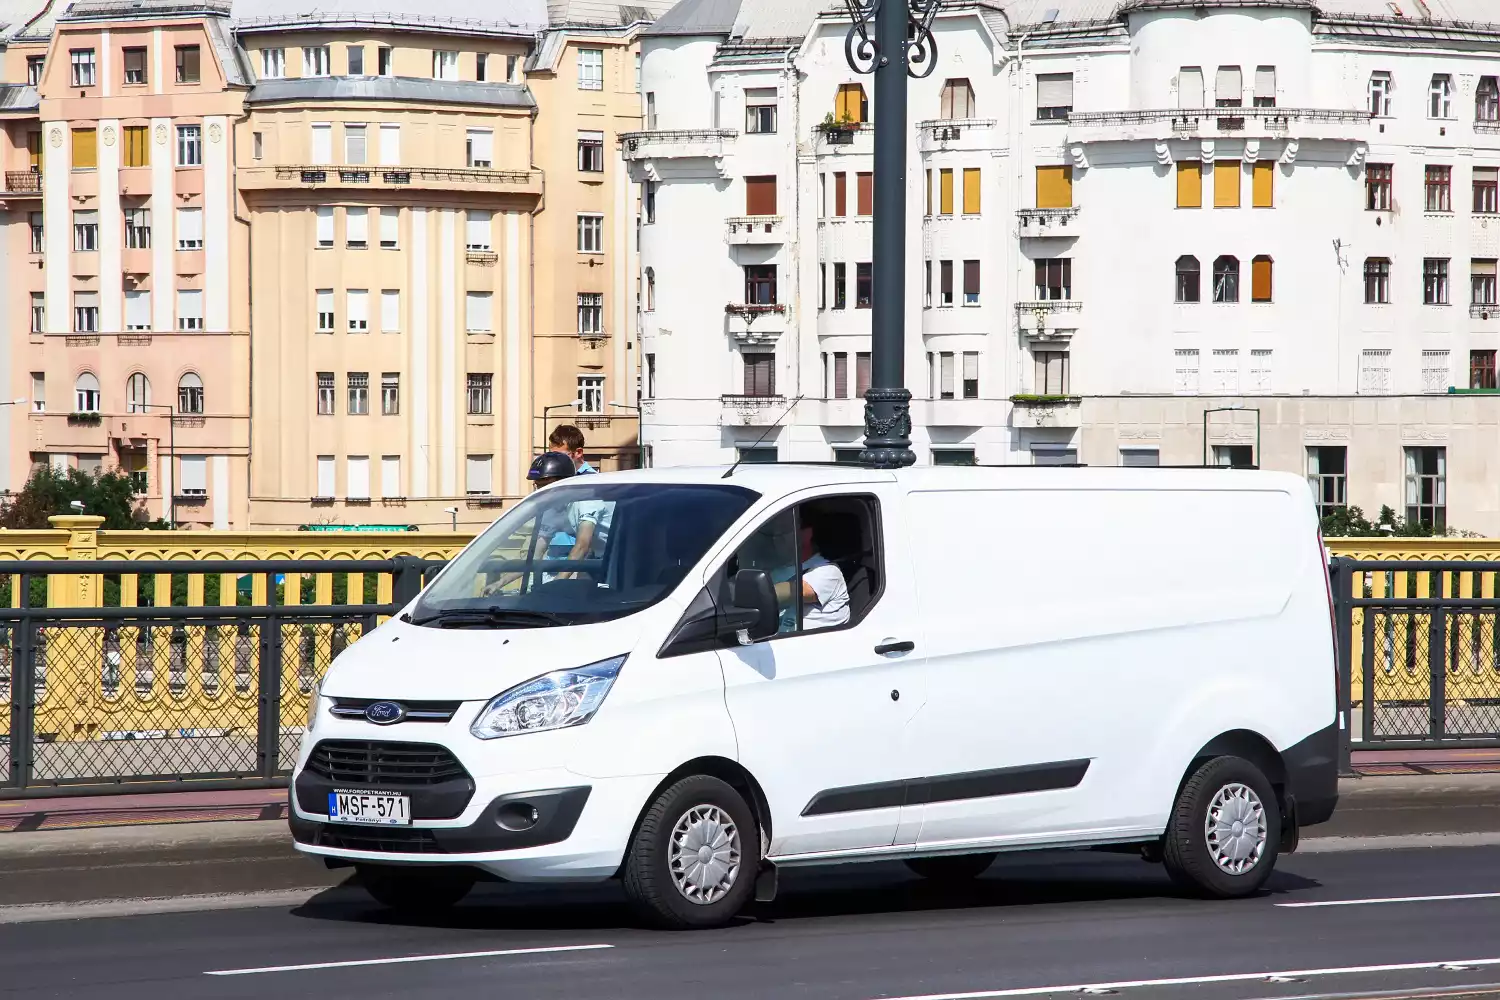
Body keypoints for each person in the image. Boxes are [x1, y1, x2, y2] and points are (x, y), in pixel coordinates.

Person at [773, 518, 849, 630]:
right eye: (773, 533)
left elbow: (798, 591)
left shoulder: (827, 570)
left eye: (783, 531)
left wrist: (751, 593)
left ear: (807, 534)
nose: (775, 537)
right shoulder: (775, 571)